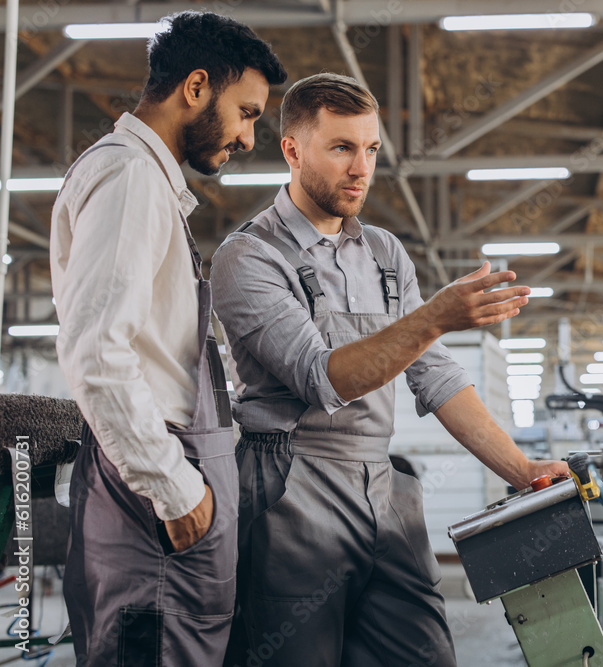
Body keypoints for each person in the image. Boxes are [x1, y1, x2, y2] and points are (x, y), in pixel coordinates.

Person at [210, 73, 568, 666]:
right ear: (293, 150)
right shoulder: (248, 255)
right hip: (288, 492)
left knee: (425, 655)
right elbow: (322, 378)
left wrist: (523, 468)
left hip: (382, 486)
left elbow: (436, 375)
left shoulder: (383, 253)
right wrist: (433, 318)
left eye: (371, 149)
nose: (362, 168)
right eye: (343, 147)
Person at [50, 12, 286, 666]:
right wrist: (176, 490)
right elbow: (96, 352)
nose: (247, 136)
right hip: (154, 504)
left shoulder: (148, 182)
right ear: (196, 87)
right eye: (245, 112)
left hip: (167, 495)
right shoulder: (129, 178)